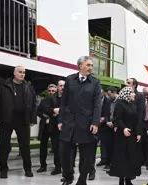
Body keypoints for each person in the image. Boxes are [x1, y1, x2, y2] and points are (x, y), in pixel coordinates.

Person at [58, 56, 101, 185]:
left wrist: (95, 122)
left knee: (86, 155)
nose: (91, 68)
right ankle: (68, 176)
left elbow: (97, 104)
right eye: (88, 65)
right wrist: (61, 119)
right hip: (69, 122)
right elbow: (63, 102)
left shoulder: (95, 82)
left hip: (86, 123)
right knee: (64, 152)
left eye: (92, 65)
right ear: (80, 66)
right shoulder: (70, 80)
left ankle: (82, 180)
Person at [0, 65, 37, 179]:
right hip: (7, 119)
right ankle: (3, 169)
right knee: (4, 145)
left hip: (23, 120)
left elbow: (34, 103)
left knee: (25, 146)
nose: (22, 74)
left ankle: (28, 169)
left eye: (24, 72)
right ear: (14, 73)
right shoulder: (4, 86)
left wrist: (32, 119)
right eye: (20, 72)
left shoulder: (28, 87)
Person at [108, 87, 142, 185]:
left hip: (131, 135)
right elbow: (118, 119)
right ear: (126, 94)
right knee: (122, 157)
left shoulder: (132, 104)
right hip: (122, 135)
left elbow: (136, 120)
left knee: (130, 157)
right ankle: (121, 180)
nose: (134, 94)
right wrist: (123, 128)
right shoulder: (120, 103)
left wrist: (138, 133)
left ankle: (128, 179)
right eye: (131, 92)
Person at [37, 84, 61, 175]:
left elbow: (59, 111)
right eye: (50, 91)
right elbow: (38, 111)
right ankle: (43, 166)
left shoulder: (59, 101)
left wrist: (49, 111)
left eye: (53, 91)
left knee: (56, 148)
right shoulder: (43, 101)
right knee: (43, 147)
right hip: (44, 126)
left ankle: (58, 167)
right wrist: (47, 113)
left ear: (56, 91)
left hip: (54, 127)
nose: (51, 92)